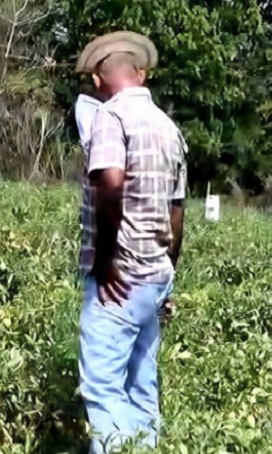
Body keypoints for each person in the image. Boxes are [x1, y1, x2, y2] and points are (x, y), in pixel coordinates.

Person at [75, 31, 187, 453]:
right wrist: (167, 273)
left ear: (98, 80)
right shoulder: (169, 128)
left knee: (103, 388)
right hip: (155, 274)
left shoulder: (110, 117)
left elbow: (110, 185)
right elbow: (177, 211)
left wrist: (106, 261)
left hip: (120, 279)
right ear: (140, 74)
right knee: (141, 384)